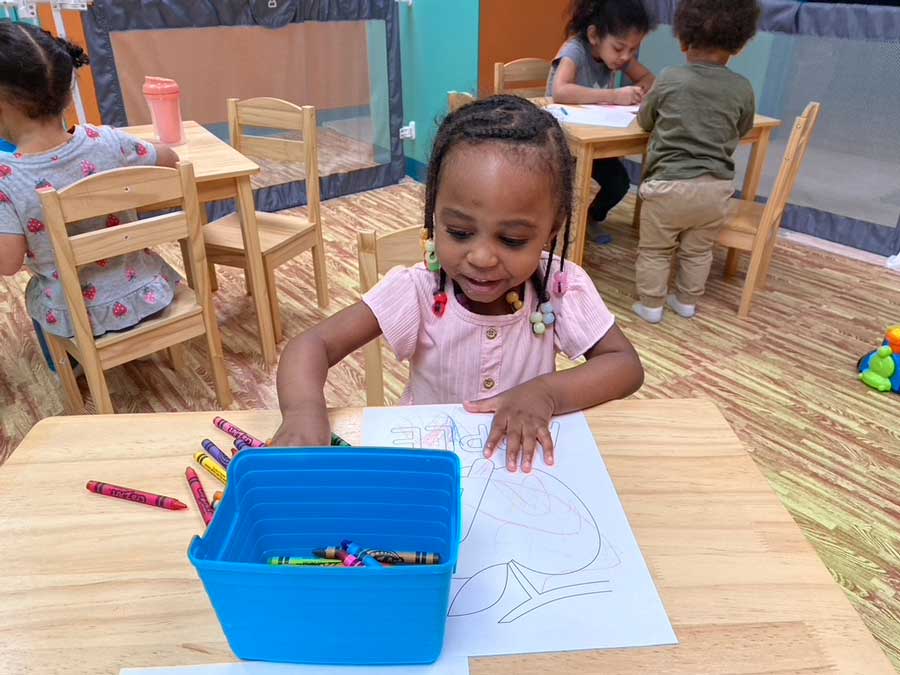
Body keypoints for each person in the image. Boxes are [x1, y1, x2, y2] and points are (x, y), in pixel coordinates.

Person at [273, 95, 644, 473]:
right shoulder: (418, 290)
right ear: (434, 214)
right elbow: (311, 344)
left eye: (513, 239)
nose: (482, 258)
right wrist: (303, 410)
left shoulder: (559, 287)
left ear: (551, 230)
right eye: (460, 232)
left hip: (515, 467)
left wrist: (546, 393)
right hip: (426, 464)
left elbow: (624, 366)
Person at [0, 22, 182, 349]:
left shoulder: (6, 179)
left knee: (33, 292)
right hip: (148, 289)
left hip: (76, 315)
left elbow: (8, 263)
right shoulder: (109, 141)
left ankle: (70, 368)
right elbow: (169, 159)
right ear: (68, 93)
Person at [632, 0, 759, 323]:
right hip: (715, 190)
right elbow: (743, 129)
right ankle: (685, 302)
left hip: (668, 186)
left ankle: (651, 305)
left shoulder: (670, 78)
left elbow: (646, 121)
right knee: (699, 251)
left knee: (656, 250)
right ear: (739, 46)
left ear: (683, 40)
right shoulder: (742, 88)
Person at [548, 0, 656, 244]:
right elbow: (560, 91)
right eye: (619, 48)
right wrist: (613, 96)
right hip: (562, 142)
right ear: (594, 35)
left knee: (619, 184)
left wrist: (641, 92)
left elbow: (649, 79)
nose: (625, 56)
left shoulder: (619, 57)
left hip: (592, 140)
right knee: (564, 190)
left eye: (633, 49)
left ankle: (591, 218)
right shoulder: (575, 49)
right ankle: (556, 229)